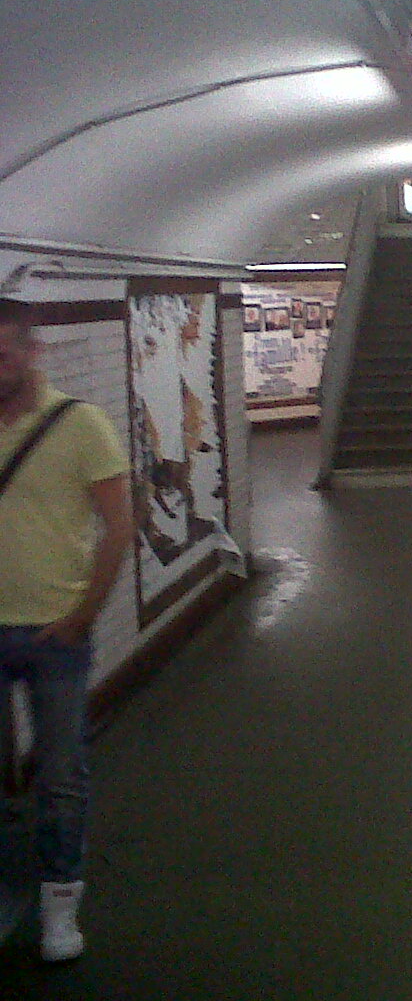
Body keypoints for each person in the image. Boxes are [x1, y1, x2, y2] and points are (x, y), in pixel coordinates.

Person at [0, 298, 132, 962]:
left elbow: (120, 526)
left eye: (5, 352)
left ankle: (59, 904)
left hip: (54, 633)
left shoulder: (82, 425)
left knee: (60, 775)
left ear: (32, 351)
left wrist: (83, 616)